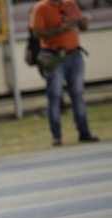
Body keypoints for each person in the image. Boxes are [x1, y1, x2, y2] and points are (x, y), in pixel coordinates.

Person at [30, 0, 99, 146]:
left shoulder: (69, 4)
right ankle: (56, 135)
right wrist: (59, 30)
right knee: (55, 95)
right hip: (53, 56)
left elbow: (83, 27)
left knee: (77, 93)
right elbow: (36, 33)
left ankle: (84, 131)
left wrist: (83, 22)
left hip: (73, 54)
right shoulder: (41, 8)